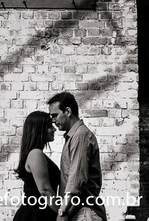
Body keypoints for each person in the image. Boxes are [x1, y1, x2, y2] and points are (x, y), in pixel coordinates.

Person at [48, 92, 104, 221]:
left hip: (83, 213)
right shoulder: (74, 136)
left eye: (55, 115)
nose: (53, 120)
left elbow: (76, 181)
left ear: (67, 111)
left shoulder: (80, 136)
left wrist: (62, 211)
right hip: (78, 211)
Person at [14, 110, 60, 221]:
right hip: (36, 215)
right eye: (49, 126)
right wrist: (62, 213)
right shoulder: (36, 154)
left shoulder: (36, 153)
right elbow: (45, 190)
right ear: (39, 129)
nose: (54, 129)